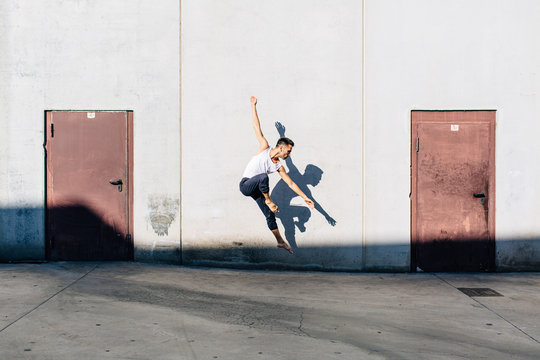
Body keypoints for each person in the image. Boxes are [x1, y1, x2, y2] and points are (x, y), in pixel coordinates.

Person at [239, 96, 314, 254]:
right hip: (246, 185)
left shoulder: (279, 166)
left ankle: (280, 241)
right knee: (264, 177)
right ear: (281, 148)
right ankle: (269, 200)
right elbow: (256, 127)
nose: (289, 154)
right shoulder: (265, 147)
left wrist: (305, 198)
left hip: (258, 190)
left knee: (270, 214)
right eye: (288, 150)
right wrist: (253, 106)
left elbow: (291, 183)